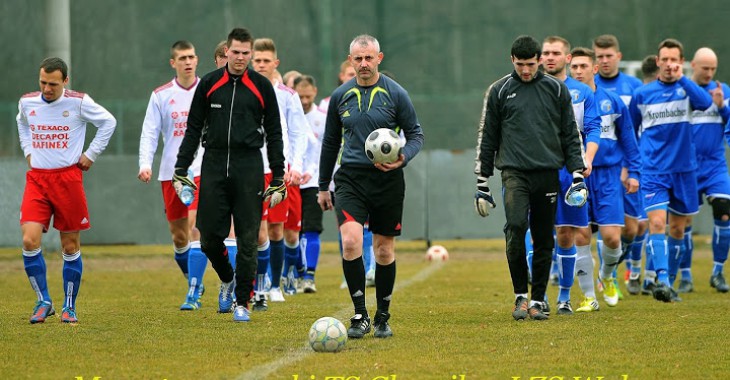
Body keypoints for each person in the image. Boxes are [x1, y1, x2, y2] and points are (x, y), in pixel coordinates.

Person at [174, 27, 286, 322]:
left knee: (248, 239)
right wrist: (180, 168)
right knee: (209, 238)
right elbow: (194, 128)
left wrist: (278, 177)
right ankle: (227, 278)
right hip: (213, 166)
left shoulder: (262, 87)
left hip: (249, 168)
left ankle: (242, 303)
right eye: (234, 52)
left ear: (250, 54)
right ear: (227, 52)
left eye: (244, 53)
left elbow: (275, 134)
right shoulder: (209, 84)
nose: (239, 58)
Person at [318, 34, 424, 338]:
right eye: (358, 59)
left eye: (369, 58)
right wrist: (324, 186)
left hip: (388, 180)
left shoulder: (396, 94)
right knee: (351, 242)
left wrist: (402, 159)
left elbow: (416, 135)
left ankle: (382, 316)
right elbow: (329, 142)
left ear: (379, 58)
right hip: (350, 178)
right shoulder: (340, 96)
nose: (363, 64)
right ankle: (359, 314)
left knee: (383, 250)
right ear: (350, 61)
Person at [474, 35, 585, 321]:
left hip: (548, 173)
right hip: (514, 173)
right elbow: (488, 137)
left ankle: (537, 300)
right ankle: (520, 296)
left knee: (543, 237)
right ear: (512, 60)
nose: (526, 70)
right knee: (515, 226)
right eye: (521, 64)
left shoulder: (556, 90)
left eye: (531, 64)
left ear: (538, 62)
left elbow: (570, 134)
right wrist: (482, 183)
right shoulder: (499, 90)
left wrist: (577, 173)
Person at [17, 57, 117, 324]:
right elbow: (22, 123)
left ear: (65, 81)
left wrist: (91, 154)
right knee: (29, 240)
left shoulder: (78, 102)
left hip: (68, 179)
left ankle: (69, 306)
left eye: (52, 84)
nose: (47, 89)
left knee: (70, 245)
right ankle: (43, 301)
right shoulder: (28, 102)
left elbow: (109, 122)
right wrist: (28, 150)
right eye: (43, 83)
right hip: (37, 179)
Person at [628, 38, 713, 303]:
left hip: (684, 171)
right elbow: (630, 132)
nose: (668, 64)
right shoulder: (643, 94)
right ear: (657, 61)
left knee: (677, 230)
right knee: (656, 223)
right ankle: (661, 279)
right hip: (653, 170)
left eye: (673, 60)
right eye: (664, 60)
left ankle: (670, 283)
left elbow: (705, 102)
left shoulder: (688, 90)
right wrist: (630, 167)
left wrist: (683, 80)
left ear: (681, 63)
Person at [569, 47, 642, 312]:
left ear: (594, 69)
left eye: (583, 66)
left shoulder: (612, 101)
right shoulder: (564, 101)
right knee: (582, 236)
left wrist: (634, 172)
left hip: (609, 176)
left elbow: (629, 141)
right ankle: (589, 297)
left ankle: (608, 276)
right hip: (577, 176)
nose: (578, 71)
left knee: (612, 237)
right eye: (574, 67)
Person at [138, 40, 209, 311]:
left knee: (194, 228)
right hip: (172, 172)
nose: (188, 62)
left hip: (202, 169)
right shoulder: (161, 95)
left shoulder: (209, 90)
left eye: (191, 57)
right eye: (182, 58)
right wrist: (145, 164)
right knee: (178, 237)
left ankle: (193, 292)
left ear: (197, 59)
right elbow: (150, 132)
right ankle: (193, 279)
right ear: (173, 62)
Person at [541, 36, 601, 314]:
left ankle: (564, 296)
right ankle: (535, 296)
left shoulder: (582, 93)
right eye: (546, 53)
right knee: (535, 230)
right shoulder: (531, 90)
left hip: (569, 171)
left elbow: (593, 128)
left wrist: (587, 159)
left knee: (566, 233)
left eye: (556, 53)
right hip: (537, 169)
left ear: (566, 58)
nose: (550, 57)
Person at [250, 37, 309, 307]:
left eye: (265, 61)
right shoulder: (245, 90)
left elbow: (298, 133)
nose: (261, 65)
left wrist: (295, 167)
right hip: (250, 168)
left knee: (275, 230)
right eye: (257, 60)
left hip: (277, 170)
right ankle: (256, 287)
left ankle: (274, 285)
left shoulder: (287, 95)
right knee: (254, 231)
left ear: (276, 63)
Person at [592, 34, 648, 295]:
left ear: (619, 57)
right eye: (599, 56)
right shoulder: (588, 88)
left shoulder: (633, 86)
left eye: (608, 56)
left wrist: (631, 167)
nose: (604, 61)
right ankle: (606, 274)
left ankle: (619, 267)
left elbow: (633, 131)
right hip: (599, 170)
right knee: (598, 228)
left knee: (632, 227)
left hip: (626, 166)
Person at [682, 47, 730, 293]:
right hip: (687, 167)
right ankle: (686, 276)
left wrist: (722, 107)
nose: (710, 73)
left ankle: (718, 272)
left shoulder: (724, 91)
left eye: (713, 68)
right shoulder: (682, 92)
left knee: (724, 212)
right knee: (684, 221)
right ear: (693, 65)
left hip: (715, 166)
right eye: (705, 68)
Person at [295, 74, 327, 293]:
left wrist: (317, 175)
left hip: (314, 182)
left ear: (314, 92)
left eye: (308, 96)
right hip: (291, 181)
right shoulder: (290, 116)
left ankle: (309, 276)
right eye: (300, 96)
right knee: (291, 231)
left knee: (312, 228)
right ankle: (294, 273)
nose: (304, 100)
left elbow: (326, 150)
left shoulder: (323, 118)